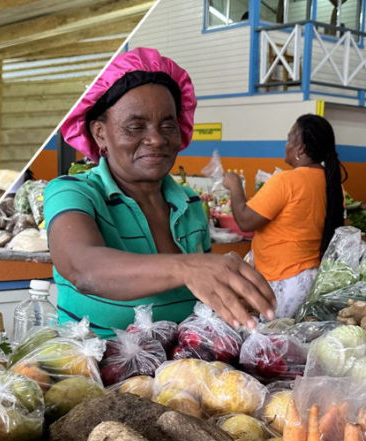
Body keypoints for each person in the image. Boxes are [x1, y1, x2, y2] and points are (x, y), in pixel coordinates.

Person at [43, 47, 276, 337]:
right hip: (89, 363)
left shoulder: (189, 203)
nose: (155, 139)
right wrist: (187, 267)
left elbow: (199, 302)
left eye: (167, 125)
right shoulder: (73, 192)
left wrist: (232, 300)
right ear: (100, 133)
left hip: (180, 364)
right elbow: (83, 268)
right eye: (135, 127)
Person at [222, 114, 347, 318]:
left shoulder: (286, 181)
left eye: (289, 139)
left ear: (301, 149)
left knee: (270, 337)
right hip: (312, 280)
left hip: (282, 280)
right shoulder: (333, 185)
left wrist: (235, 185)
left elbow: (245, 220)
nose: (286, 145)